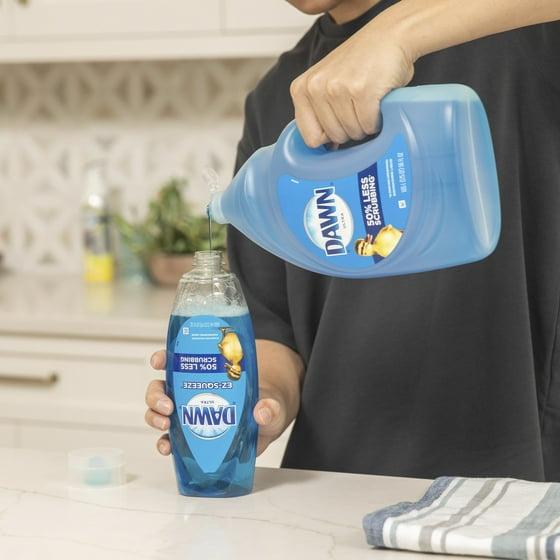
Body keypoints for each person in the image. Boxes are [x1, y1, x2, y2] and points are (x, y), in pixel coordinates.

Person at [145, 0, 560, 481]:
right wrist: (259, 401)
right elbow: (274, 332)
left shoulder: (519, 29)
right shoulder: (277, 97)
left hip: (513, 485)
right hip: (335, 487)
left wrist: (397, 34)